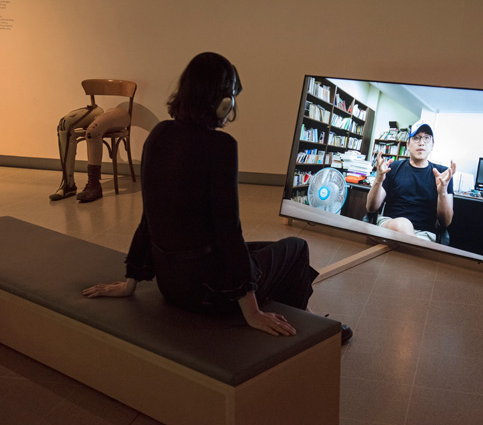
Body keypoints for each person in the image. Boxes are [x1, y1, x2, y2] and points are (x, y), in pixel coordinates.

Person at [82, 52, 352, 343]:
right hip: (207, 293)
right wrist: (252, 313)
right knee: (297, 249)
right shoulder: (220, 146)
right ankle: (313, 328)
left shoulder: (158, 134)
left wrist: (130, 282)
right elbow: (228, 232)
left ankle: (303, 315)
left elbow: (150, 215)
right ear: (222, 100)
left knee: (269, 249)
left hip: (171, 285)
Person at [366, 120, 456, 241]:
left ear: (432, 145)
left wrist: (442, 192)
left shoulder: (442, 174)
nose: (421, 143)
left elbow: (446, 222)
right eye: (416, 138)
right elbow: (371, 208)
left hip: (424, 234)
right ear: (408, 145)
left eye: (426, 138)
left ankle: (412, 245)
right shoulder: (392, 167)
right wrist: (378, 178)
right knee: (403, 225)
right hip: (390, 226)